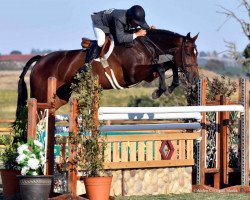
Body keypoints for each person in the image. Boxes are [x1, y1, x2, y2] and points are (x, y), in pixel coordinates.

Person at [85, 5, 153, 64]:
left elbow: (143, 24)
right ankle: (88, 63)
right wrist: (136, 34)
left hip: (111, 25)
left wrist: (150, 29)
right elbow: (120, 39)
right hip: (99, 23)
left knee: (115, 40)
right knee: (101, 42)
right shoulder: (120, 18)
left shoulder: (134, 16)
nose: (137, 25)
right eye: (136, 23)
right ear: (130, 18)